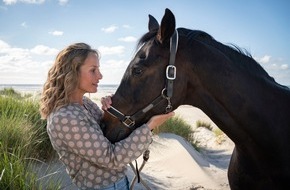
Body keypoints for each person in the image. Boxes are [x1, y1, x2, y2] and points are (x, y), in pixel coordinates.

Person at [39, 42, 174, 190]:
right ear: (72, 73)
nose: (100, 76)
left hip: (119, 183)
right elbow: (111, 158)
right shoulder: (64, 118)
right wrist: (149, 127)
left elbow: (105, 135)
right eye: (93, 70)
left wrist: (111, 110)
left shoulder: (84, 103)